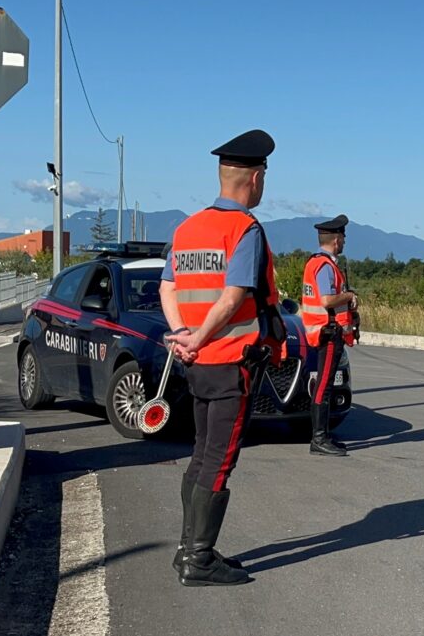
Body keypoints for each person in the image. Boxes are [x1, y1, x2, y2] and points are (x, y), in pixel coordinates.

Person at [159, 129, 285, 587]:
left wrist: (181, 335)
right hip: (231, 362)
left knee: (201, 455)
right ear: (254, 179)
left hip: (197, 366)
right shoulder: (245, 230)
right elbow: (233, 299)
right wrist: (201, 338)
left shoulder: (187, 228)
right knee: (219, 458)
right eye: (264, 177)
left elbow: (167, 287)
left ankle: (186, 547)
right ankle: (199, 558)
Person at [301, 214, 360, 457]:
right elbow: (326, 300)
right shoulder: (325, 267)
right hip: (328, 333)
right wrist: (348, 296)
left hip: (324, 332)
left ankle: (322, 434)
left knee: (324, 385)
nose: (344, 242)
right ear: (336, 240)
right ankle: (319, 439)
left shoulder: (317, 263)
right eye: (343, 238)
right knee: (324, 386)